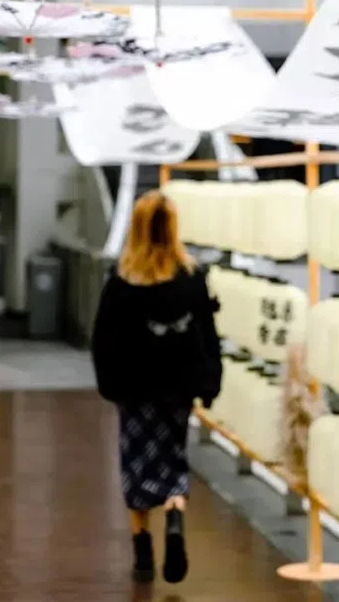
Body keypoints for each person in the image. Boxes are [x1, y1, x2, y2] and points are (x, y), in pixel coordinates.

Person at [91, 190, 222, 585]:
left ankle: (143, 550)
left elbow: (103, 341)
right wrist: (209, 383)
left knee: (136, 466)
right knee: (172, 459)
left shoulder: (121, 282)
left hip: (135, 394)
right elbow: (208, 337)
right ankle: (176, 512)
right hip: (177, 391)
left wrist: (110, 385)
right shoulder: (192, 278)